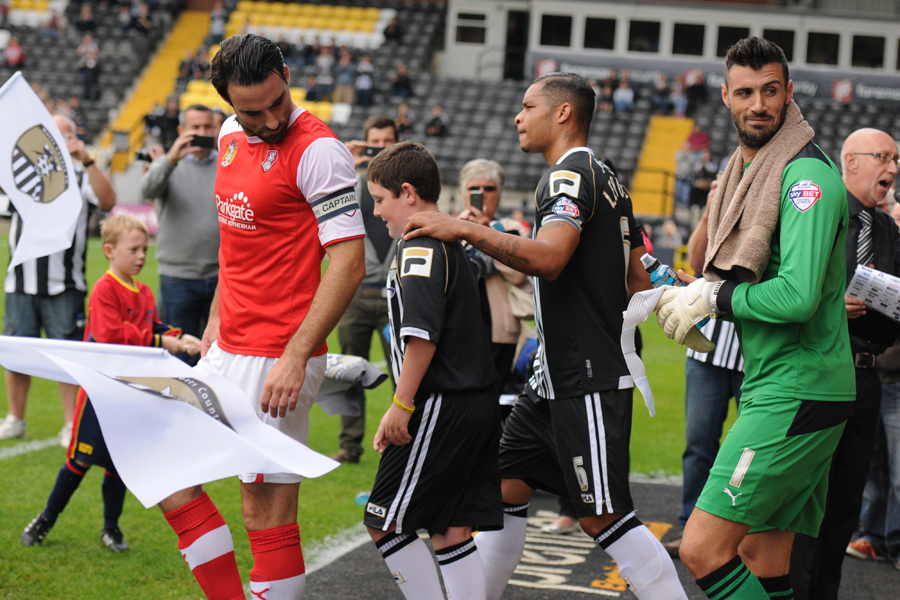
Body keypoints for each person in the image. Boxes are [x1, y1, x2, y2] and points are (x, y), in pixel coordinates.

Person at [402, 72, 685, 600]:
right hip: (550, 380)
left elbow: (551, 259)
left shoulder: (566, 177)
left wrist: (464, 228)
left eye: (528, 106)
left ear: (562, 113)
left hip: (586, 375)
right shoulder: (607, 176)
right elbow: (638, 277)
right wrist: (682, 289)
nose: (518, 116)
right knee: (503, 491)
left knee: (602, 517)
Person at [155, 34, 365, 600]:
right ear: (227, 102)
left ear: (287, 75)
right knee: (169, 471)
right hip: (227, 345)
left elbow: (349, 262)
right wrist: (216, 320)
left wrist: (297, 355)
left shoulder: (319, 151)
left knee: (264, 509)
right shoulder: (228, 134)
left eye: (278, 102)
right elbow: (236, 243)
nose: (271, 120)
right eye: (253, 111)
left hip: (279, 354)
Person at [654, 37, 854, 599]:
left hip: (798, 388)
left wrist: (714, 299)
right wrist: (698, 291)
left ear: (789, 93)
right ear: (725, 96)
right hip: (784, 383)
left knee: (702, 549)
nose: (758, 104)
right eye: (745, 93)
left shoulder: (806, 178)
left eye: (769, 91)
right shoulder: (747, 171)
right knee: (761, 559)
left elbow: (797, 297)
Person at [364, 141, 502, 600]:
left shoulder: (419, 246)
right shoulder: (446, 239)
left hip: (443, 401)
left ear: (407, 193)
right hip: (472, 398)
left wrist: (401, 403)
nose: (377, 212)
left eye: (380, 199)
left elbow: (422, 335)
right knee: (450, 529)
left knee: (384, 521)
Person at [20, 215, 199, 552]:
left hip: (128, 395)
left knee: (118, 465)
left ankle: (111, 529)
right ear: (109, 251)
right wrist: (160, 342)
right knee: (80, 460)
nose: (141, 255)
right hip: (99, 394)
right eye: (133, 249)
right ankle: (46, 517)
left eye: (144, 249)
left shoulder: (144, 292)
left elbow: (154, 327)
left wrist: (180, 337)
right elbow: (109, 334)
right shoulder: (104, 289)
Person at [790, 128, 900, 597]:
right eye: (884, 157)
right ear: (850, 161)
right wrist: (835, 306)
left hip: (867, 378)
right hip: (820, 374)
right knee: (805, 503)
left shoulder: (888, 229)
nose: (893, 168)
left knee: (844, 506)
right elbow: (792, 290)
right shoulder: (821, 213)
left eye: (896, 160)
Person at [0, 115, 116, 444]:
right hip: (20, 280)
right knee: (15, 355)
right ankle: (15, 418)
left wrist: (87, 161)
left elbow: (107, 201)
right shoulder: (23, 172)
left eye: (65, 136)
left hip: (64, 283)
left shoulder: (80, 176)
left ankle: (70, 423)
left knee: (67, 357)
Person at [663, 181, 745, 560]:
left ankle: (741, 536)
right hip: (708, 350)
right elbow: (695, 263)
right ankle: (689, 526)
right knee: (698, 445)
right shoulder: (721, 206)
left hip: (752, 354)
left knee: (747, 452)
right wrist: (713, 207)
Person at [332, 116, 400, 464]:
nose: (381, 148)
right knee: (349, 372)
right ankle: (350, 445)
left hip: (397, 297)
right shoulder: (351, 185)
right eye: (375, 142)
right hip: (356, 295)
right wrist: (346, 167)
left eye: (388, 142)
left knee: (403, 374)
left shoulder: (408, 191)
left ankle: (403, 441)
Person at [139, 104, 219, 366]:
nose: (202, 132)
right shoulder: (168, 164)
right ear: (181, 130)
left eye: (208, 126)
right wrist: (170, 159)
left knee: (218, 355)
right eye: (195, 127)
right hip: (178, 277)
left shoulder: (228, 163)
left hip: (220, 277)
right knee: (179, 355)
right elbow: (147, 190)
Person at [456, 158, 531, 393]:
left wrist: (486, 232)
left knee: (492, 395)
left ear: (499, 194)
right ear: (463, 194)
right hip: (458, 328)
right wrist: (463, 229)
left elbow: (518, 274)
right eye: (474, 188)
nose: (482, 194)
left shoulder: (511, 229)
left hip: (498, 330)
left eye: (489, 188)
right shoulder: (451, 227)